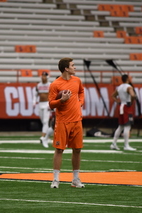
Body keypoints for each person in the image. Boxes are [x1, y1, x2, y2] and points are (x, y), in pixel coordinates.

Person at [48, 57, 85, 189]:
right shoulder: (55, 84)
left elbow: (81, 91)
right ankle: (56, 179)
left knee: (77, 149)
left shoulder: (77, 80)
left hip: (77, 120)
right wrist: (61, 101)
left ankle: (75, 179)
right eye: (73, 65)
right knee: (59, 149)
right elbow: (51, 104)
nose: (75, 67)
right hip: (63, 121)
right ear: (66, 68)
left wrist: (80, 102)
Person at [110, 74, 137, 151]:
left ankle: (114, 143)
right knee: (127, 126)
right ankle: (126, 145)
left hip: (121, 106)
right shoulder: (128, 87)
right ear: (128, 79)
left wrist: (118, 102)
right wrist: (131, 101)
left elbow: (113, 96)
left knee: (120, 126)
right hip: (127, 107)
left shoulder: (120, 87)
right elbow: (132, 95)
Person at [33, 71, 52, 148]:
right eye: (42, 76)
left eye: (44, 76)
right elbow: (35, 94)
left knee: (45, 121)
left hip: (47, 103)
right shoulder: (38, 85)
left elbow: (52, 94)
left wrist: (50, 103)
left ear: (47, 77)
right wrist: (34, 102)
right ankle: (47, 136)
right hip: (40, 104)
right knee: (42, 121)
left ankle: (43, 136)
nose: (43, 77)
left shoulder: (50, 85)